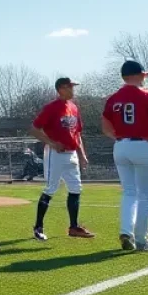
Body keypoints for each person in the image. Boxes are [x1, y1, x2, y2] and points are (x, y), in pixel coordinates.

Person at [102, 61, 148, 252]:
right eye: (142, 75)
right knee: (145, 196)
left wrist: (119, 137)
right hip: (141, 145)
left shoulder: (113, 98)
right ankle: (141, 240)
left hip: (120, 146)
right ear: (138, 75)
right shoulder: (147, 95)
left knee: (129, 192)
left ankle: (125, 231)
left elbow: (105, 127)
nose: (144, 78)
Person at [30, 78, 94, 240]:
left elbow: (77, 134)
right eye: (69, 87)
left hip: (71, 154)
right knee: (51, 188)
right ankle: (38, 227)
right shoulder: (51, 108)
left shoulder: (73, 108)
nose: (73, 90)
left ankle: (74, 227)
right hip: (55, 154)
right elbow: (35, 129)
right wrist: (51, 143)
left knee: (76, 189)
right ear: (60, 89)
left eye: (73, 87)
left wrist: (82, 155)